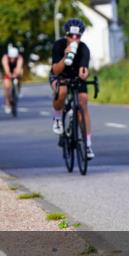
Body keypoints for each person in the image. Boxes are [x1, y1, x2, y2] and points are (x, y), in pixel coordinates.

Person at [50, 18, 94, 159]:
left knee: (83, 101)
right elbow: (56, 70)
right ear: (66, 35)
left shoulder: (83, 48)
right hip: (59, 75)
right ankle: (57, 118)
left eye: (78, 36)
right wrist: (65, 56)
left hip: (75, 77)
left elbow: (84, 69)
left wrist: (84, 73)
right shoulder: (58, 45)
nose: (74, 39)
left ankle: (87, 145)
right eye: (71, 36)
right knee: (61, 91)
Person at [1, 45, 24, 113]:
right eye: (11, 58)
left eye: (14, 58)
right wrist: (9, 75)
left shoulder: (19, 58)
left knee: (20, 73)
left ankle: (18, 89)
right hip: (8, 71)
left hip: (15, 69)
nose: (12, 60)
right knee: (6, 86)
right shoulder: (5, 58)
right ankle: (7, 103)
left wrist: (16, 74)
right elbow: (6, 68)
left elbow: (19, 67)